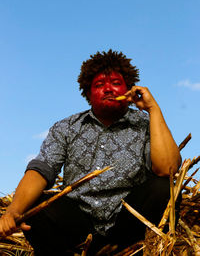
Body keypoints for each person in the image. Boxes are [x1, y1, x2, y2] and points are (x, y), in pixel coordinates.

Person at [0, 50, 181, 255]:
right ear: (88, 93)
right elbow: (42, 170)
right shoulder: (66, 127)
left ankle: (121, 250)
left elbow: (168, 169)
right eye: (99, 85)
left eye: (115, 82)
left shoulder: (146, 124)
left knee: (164, 188)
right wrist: (13, 211)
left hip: (129, 223)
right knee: (36, 206)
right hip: (77, 224)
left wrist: (153, 108)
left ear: (129, 90)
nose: (108, 89)